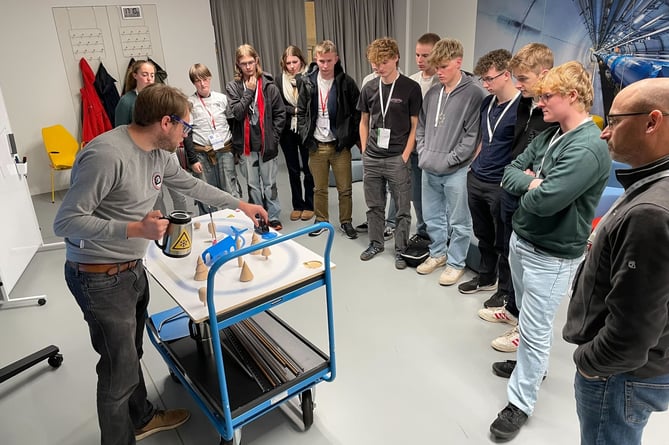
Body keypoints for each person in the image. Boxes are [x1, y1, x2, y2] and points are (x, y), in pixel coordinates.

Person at [53, 83, 268, 445]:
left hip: (131, 270)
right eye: (185, 125)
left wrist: (239, 204)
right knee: (116, 375)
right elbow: (66, 222)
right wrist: (135, 228)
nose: (187, 133)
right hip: (99, 278)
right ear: (165, 123)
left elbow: (188, 184)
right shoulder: (106, 154)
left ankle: (142, 418)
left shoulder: (158, 152)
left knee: (130, 356)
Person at [489, 61, 611, 441]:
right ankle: (532, 367)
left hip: (552, 254)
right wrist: (532, 184)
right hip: (523, 241)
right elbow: (510, 173)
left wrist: (532, 187)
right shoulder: (551, 134)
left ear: (572, 97)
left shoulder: (589, 148)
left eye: (547, 96)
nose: (539, 103)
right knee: (525, 316)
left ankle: (520, 402)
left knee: (537, 329)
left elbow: (546, 201)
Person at [563, 77, 669, 445]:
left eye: (614, 121)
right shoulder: (653, 189)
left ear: (652, 122)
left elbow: (632, 331)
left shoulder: (650, 213)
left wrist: (590, 365)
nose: (605, 133)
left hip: (620, 374)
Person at [475, 43, 557, 355]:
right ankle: (511, 307)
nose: (517, 83)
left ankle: (525, 329)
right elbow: (519, 155)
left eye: (522, 77)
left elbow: (543, 169)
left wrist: (525, 178)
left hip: (531, 197)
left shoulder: (554, 115)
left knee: (530, 269)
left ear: (545, 74)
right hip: (511, 187)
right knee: (510, 253)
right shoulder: (527, 104)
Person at [415, 38, 486, 285]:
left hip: (456, 170)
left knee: (459, 220)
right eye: (437, 67)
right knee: (432, 216)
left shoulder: (475, 94)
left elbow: (472, 136)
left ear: (458, 62)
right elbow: (422, 126)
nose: (439, 72)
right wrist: (423, 152)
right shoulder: (434, 91)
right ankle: (438, 254)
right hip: (428, 165)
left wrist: (452, 160)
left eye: (444, 66)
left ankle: (456, 262)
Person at [458, 49, 520, 310]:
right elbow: (485, 138)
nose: (485, 84)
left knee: (503, 241)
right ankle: (486, 278)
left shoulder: (521, 108)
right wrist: (473, 165)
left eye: (490, 79)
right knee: (482, 234)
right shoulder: (488, 103)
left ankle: (505, 291)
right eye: (482, 79)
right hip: (478, 177)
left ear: (506, 75)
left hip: (501, 184)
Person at [358, 37, 422, 269]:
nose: (378, 67)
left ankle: (401, 249)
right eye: (375, 63)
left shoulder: (410, 88)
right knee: (374, 205)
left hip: (397, 158)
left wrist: (405, 155)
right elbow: (363, 121)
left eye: (383, 62)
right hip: (373, 157)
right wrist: (365, 150)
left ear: (395, 58)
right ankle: (375, 243)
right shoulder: (369, 87)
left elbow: (415, 126)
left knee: (402, 208)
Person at [297, 40, 361, 238]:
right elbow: (301, 113)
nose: (325, 65)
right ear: (315, 59)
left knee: (345, 189)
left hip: (339, 145)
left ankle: (346, 221)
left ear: (336, 59)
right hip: (316, 145)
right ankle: (321, 220)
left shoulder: (346, 82)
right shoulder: (307, 82)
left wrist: (349, 139)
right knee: (319, 188)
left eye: (329, 61)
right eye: (321, 61)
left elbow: (357, 113)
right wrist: (306, 138)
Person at [226, 44, 286, 230]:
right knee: (253, 185)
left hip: (266, 144)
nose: (248, 67)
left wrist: (274, 137)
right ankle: (258, 215)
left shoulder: (268, 85)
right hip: (246, 145)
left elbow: (280, 114)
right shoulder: (233, 87)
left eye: (251, 62)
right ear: (238, 65)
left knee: (269, 184)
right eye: (244, 64)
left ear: (257, 61)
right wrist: (249, 92)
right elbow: (236, 113)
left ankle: (273, 216)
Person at [187, 63, 240, 214]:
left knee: (229, 186)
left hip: (224, 150)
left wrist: (236, 150)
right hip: (201, 153)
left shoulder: (222, 99)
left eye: (204, 79)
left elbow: (232, 123)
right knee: (205, 191)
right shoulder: (190, 103)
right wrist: (192, 160)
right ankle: (209, 224)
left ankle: (234, 218)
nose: (202, 84)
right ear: (193, 83)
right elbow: (187, 133)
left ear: (210, 78)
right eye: (197, 81)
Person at [407, 32, 441, 242]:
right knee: (417, 195)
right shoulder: (411, 82)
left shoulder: (443, 81)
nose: (420, 60)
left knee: (437, 197)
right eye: (417, 55)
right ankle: (422, 232)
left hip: (437, 150)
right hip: (415, 150)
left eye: (425, 56)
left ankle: (439, 236)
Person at [276, 45, 314, 222]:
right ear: (284, 63)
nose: (292, 66)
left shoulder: (309, 77)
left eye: (295, 62)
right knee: (292, 169)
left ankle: (310, 204)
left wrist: (300, 109)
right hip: (287, 130)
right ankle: (297, 204)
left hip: (306, 128)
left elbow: (312, 103)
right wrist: (295, 109)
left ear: (301, 61)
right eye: (288, 62)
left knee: (308, 168)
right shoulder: (278, 80)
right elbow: (278, 106)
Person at [115, 60, 156, 127]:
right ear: (135, 75)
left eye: (152, 75)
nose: (149, 79)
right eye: (144, 75)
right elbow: (120, 131)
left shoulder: (159, 98)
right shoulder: (126, 101)